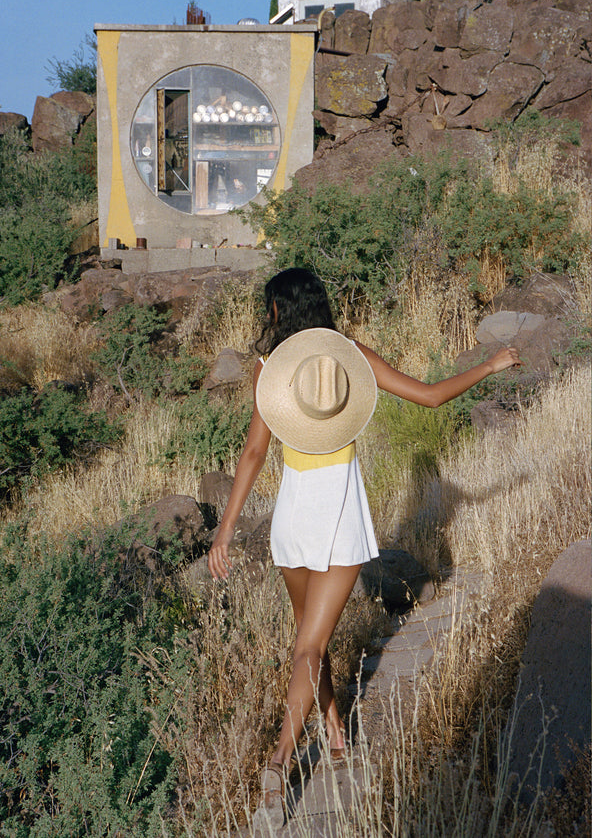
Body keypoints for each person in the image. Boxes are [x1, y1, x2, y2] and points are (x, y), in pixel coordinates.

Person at [207, 267, 521, 825]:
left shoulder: (270, 371)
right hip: (339, 516)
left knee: (310, 639)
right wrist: (490, 365)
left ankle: (332, 734)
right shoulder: (351, 357)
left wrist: (226, 529)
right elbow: (429, 397)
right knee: (311, 645)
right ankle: (281, 759)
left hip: (292, 520)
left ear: (277, 311)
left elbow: (253, 455)